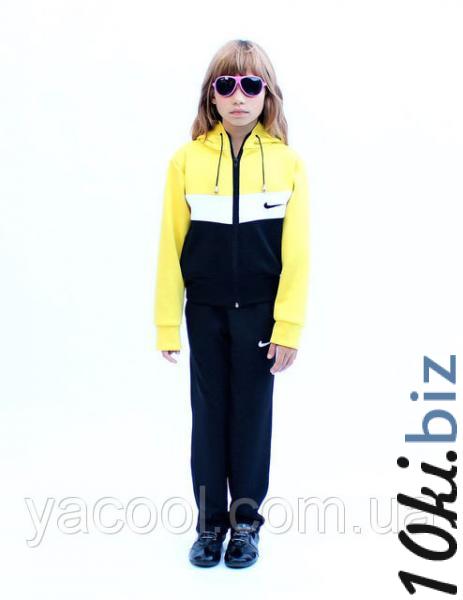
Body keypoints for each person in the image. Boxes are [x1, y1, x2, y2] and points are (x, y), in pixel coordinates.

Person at [154, 39, 310, 569]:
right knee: (209, 418)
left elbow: (298, 254)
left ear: (267, 94)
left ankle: (245, 525)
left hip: (262, 315)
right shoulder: (186, 162)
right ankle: (209, 526)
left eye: (250, 84)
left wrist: (288, 325)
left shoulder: (288, 163)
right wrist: (167, 325)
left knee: (251, 419)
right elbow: (170, 248)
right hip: (205, 311)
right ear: (211, 96)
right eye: (227, 85)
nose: (238, 96)